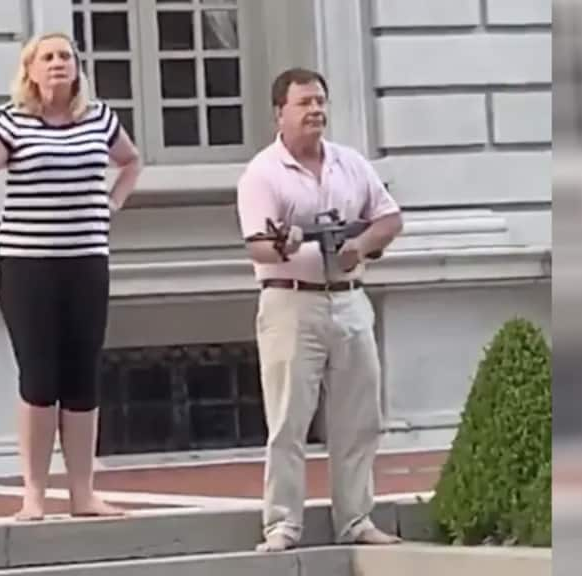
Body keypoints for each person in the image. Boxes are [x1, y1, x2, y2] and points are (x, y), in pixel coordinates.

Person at [0, 32, 142, 521]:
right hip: (28, 266)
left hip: (86, 262)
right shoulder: (13, 121)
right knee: (39, 375)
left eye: (65, 57)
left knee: (82, 377)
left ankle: (83, 493)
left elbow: (131, 162)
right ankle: (33, 493)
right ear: (30, 70)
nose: (58, 64)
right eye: (47, 58)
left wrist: (113, 202)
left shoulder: (100, 118)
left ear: (77, 68)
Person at [236, 67, 405, 552]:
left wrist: (361, 244)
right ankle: (283, 524)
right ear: (279, 114)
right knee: (289, 420)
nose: (315, 111)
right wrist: (287, 245)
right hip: (291, 301)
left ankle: (356, 519)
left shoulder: (349, 163)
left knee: (359, 418)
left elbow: (390, 217)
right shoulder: (262, 174)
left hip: (350, 299)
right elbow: (258, 247)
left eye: (320, 102)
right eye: (304, 103)